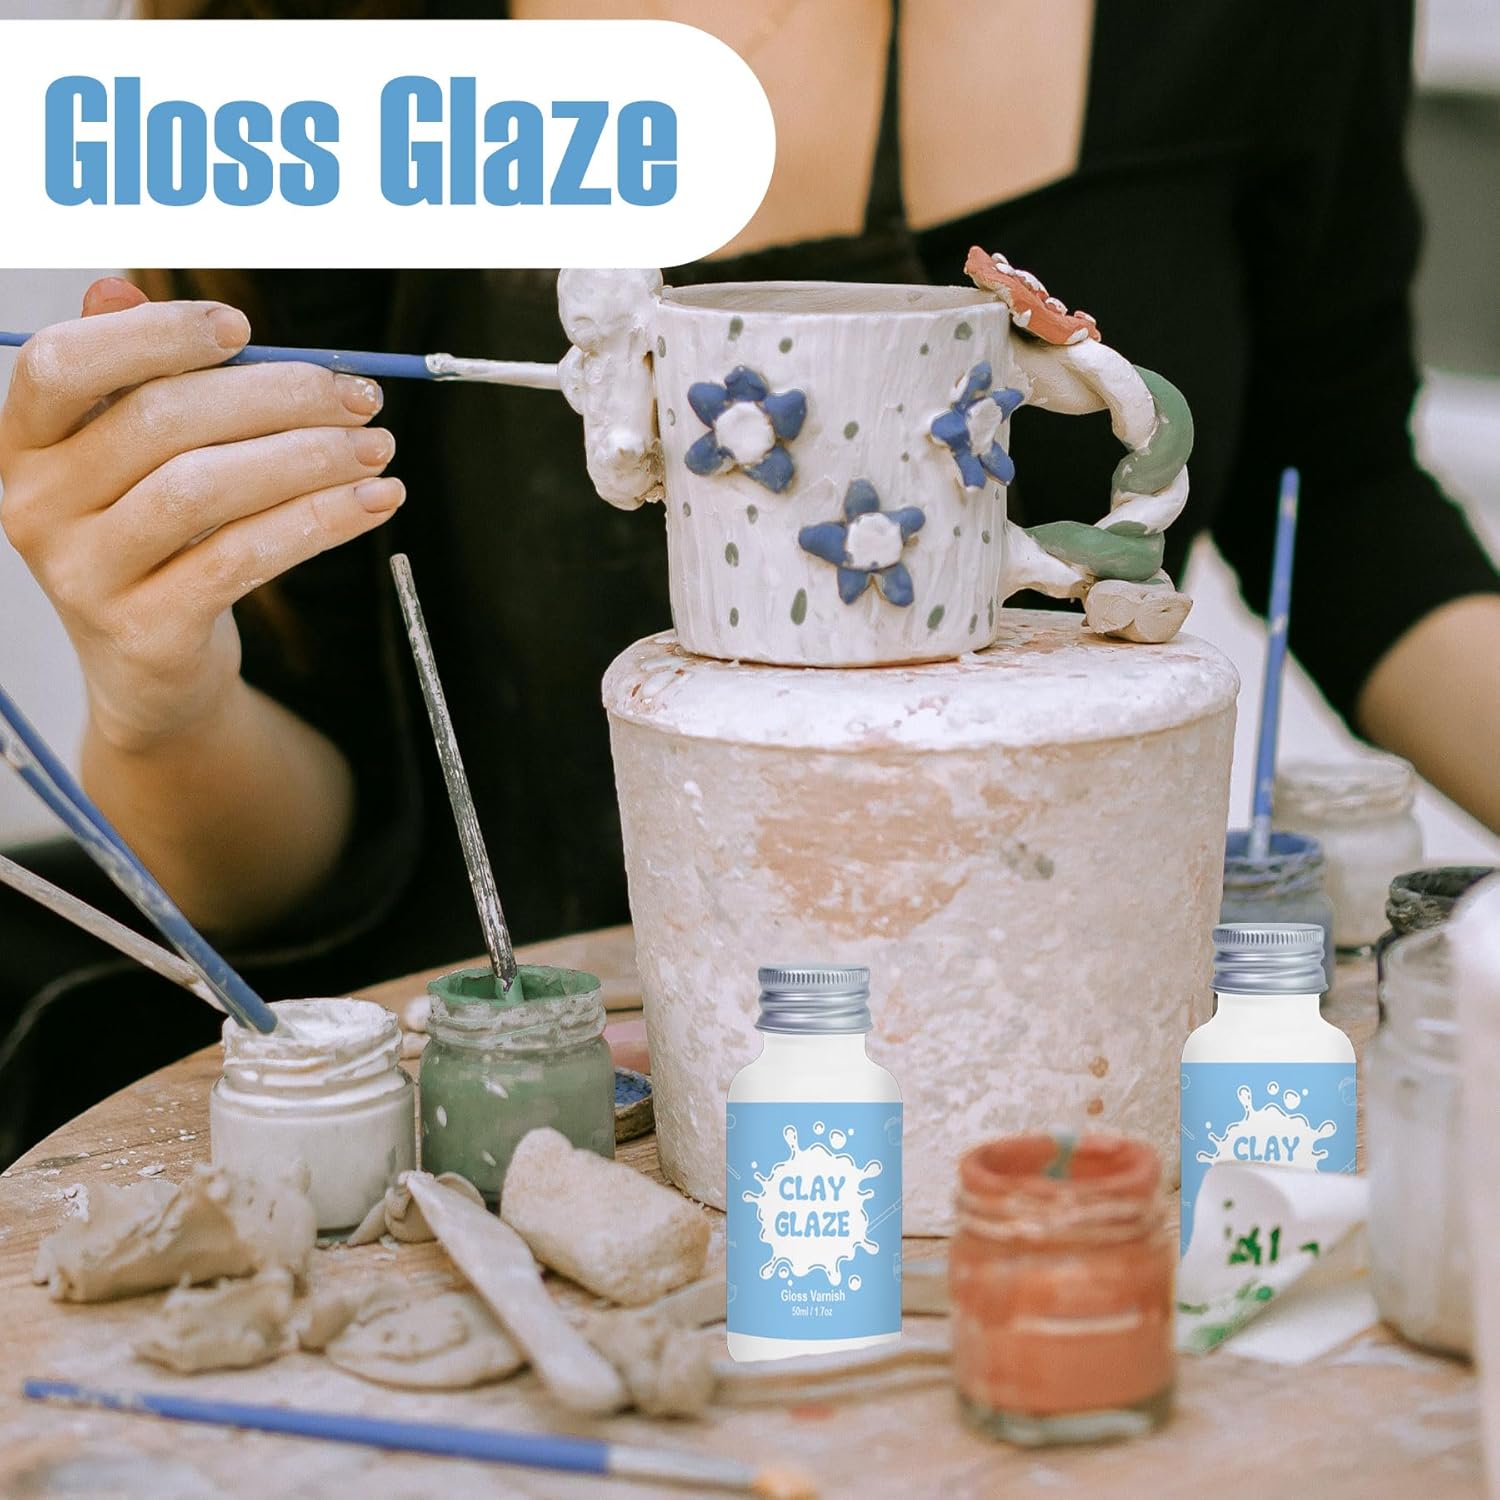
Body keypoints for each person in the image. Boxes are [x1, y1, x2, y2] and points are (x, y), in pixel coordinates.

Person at [2, 0, 1497, 1162]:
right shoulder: (320, 32)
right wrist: (155, 689)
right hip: (536, 1124)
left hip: (1077, 1079)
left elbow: (1345, 493)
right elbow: (286, 861)